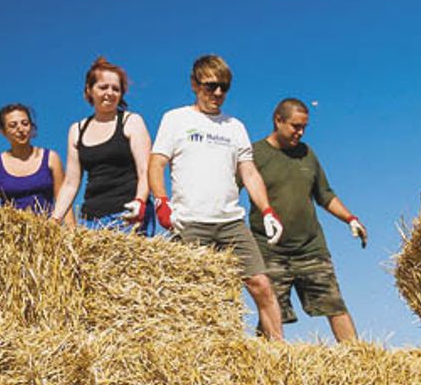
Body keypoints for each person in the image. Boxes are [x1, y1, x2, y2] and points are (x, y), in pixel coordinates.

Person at [148, 55, 283, 340]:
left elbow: (249, 173)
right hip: (190, 222)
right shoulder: (176, 119)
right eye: (211, 86)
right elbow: (156, 163)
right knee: (191, 293)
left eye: (224, 87)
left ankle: (279, 354)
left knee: (261, 284)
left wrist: (268, 211)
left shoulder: (235, 127)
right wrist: (161, 200)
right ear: (195, 84)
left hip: (230, 222)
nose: (218, 94)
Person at [247, 98, 367, 342]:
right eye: (295, 126)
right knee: (271, 314)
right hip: (270, 251)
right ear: (278, 120)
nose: (300, 133)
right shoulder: (255, 154)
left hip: (311, 249)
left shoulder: (307, 154)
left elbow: (324, 195)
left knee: (334, 304)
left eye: (304, 127)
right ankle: (266, 370)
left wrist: (350, 218)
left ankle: (360, 360)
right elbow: (232, 187)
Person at [50, 57, 151, 231]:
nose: (110, 93)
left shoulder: (132, 122)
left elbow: (145, 171)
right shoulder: (77, 130)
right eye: (103, 87)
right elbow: (71, 183)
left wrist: (139, 202)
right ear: (89, 90)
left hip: (127, 215)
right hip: (91, 220)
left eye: (116, 89)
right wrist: (54, 220)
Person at [0, 103, 63, 216]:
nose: (20, 129)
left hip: (48, 229)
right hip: (10, 231)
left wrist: (72, 231)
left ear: (31, 126)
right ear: (3, 131)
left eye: (25, 123)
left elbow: (64, 202)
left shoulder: (51, 158)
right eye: (12, 125)